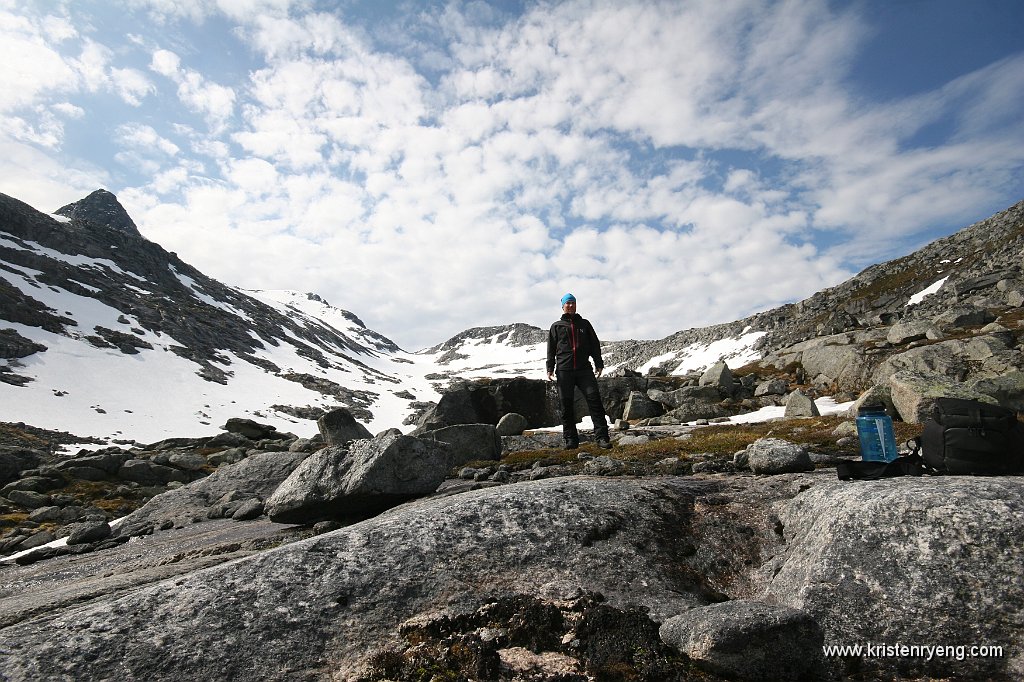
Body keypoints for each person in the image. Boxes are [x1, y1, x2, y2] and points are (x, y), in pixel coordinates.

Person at [546, 293, 612, 449]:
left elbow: (594, 345)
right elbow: (551, 349)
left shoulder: (585, 324)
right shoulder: (556, 326)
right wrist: (550, 368)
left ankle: (602, 438)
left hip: (584, 370)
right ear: (562, 306)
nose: (570, 305)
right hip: (564, 371)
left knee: (595, 401)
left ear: (576, 305)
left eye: (573, 303)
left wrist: (599, 363)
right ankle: (571, 440)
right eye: (567, 303)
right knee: (566, 405)